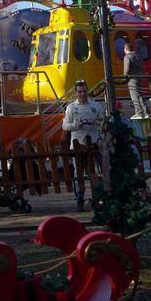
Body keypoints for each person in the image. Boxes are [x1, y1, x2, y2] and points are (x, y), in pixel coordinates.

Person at [62, 80, 104, 212]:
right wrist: (76, 125)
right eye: (79, 92)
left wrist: (98, 123)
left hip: (95, 144)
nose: (82, 94)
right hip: (78, 145)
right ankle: (79, 200)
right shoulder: (71, 107)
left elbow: (104, 121)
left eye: (84, 91)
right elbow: (65, 126)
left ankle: (99, 199)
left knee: (98, 172)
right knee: (78, 174)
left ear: (88, 91)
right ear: (76, 93)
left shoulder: (96, 106)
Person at [124, 42, 150, 119]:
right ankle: (146, 111)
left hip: (132, 79)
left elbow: (127, 69)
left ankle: (139, 112)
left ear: (126, 49)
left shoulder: (127, 57)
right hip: (139, 78)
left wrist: (125, 76)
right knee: (141, 95)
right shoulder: (138, 56)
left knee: (135, 96)